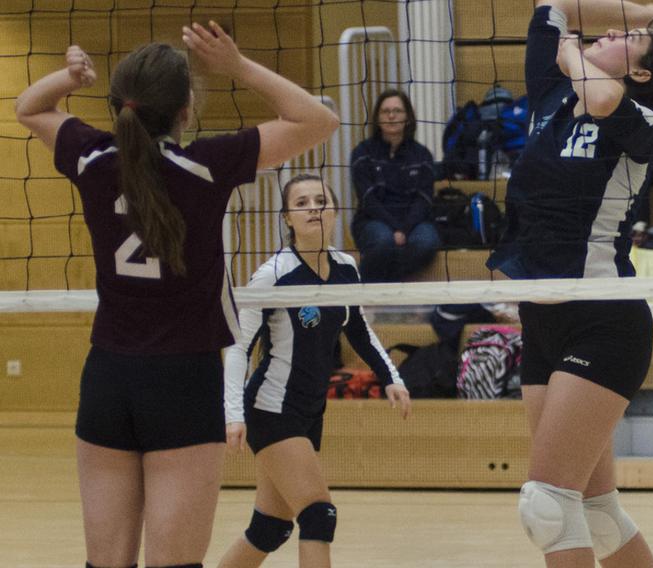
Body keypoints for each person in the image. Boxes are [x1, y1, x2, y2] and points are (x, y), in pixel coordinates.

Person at [15, 22, 339, 568]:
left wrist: (68, 77)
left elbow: (28, 107)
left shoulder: (92, 159)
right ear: (185, 109)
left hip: (109, 377)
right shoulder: (207, 167)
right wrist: (236, 65)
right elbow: (319, 119)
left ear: (120, 104)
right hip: (184, 379)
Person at [485, 2, 653, 567]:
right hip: (543, 320)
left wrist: (568, 50)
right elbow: (555, 5)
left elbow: (603, 98)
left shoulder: (641, 122)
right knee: (597, 513)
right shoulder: (553, 95)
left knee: (546, 506)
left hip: (603, 322)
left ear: (641, 74)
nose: (610, 31)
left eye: (628, 38)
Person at [219, 174, 411, 568]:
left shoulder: (345, 268)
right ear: (287, 218)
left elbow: (358, 329)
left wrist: (391, 376)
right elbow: (239, 347)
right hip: (271, 409)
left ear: (334, 211)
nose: (312, 208)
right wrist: (234, 414)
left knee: (270, 528)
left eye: (320, 200)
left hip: (309, 411)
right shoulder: (273, 274)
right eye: (301, 203)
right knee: (318, 514)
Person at [350, 89, 440, 282]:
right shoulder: (362, 152)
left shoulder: (422, 155)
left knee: (427, 243)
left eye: (397, 111)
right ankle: (361, 283)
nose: (391, 116)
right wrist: (394, 230)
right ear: (377, 117)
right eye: (385, 111)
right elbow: (368, 199)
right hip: (372, 219)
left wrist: (404, 230)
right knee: (383, 241)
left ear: (407, 117)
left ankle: (387, 282)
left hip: (415, 221)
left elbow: (424, 200)